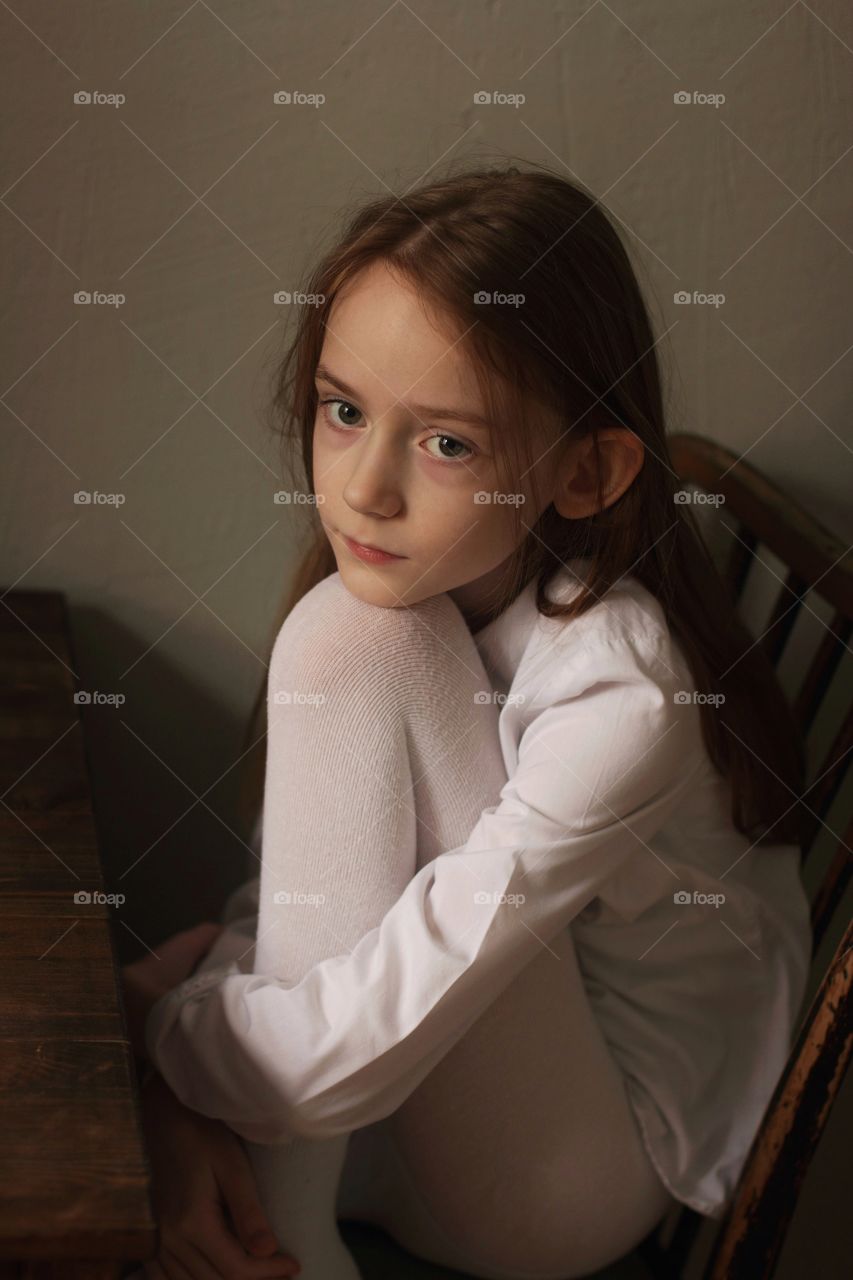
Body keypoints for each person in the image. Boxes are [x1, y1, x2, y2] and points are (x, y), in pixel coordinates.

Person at [125, 163, 813, 1280]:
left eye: (446, 443)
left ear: (585, 472)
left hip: (564, 1182)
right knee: (353, 634)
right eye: (344, 411)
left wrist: (161, 1038)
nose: (364, 489)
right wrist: (192, 1075)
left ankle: (277, 1242)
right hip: (411, 1109)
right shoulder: (427, 600)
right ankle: (280, 1226)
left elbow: (336, 1051)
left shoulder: (621, 690)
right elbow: (324, 902)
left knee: (349, 634)